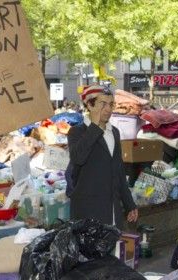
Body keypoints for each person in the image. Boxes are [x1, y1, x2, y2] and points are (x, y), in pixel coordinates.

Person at [67, 86, 138, 229]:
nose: (108, 109)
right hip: (88, 212)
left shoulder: (114, 132)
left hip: (112, 210)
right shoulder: (77, 132)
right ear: (89, 105)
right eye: (103, 104)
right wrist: (95, 126)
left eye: (111, 104)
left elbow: (118, 170)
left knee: (112, 248)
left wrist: (129, 203)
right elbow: (78, 158)